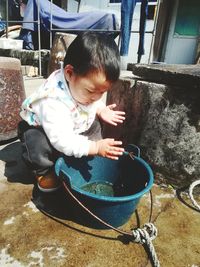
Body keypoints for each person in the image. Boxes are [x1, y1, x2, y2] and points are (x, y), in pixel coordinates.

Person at [18, 32, 126, 193]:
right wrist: (95, 147)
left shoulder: (81, 86)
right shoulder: (52, 100)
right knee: (35, 141)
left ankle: (87, 155)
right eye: (91, 91)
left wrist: (101, 109)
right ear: (69, 73)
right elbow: (62, 140)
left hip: (75, 123)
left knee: (95, 124)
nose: (96, 97)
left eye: (102, 93)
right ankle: (43, 172)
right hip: (48, 132)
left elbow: (93, 101)